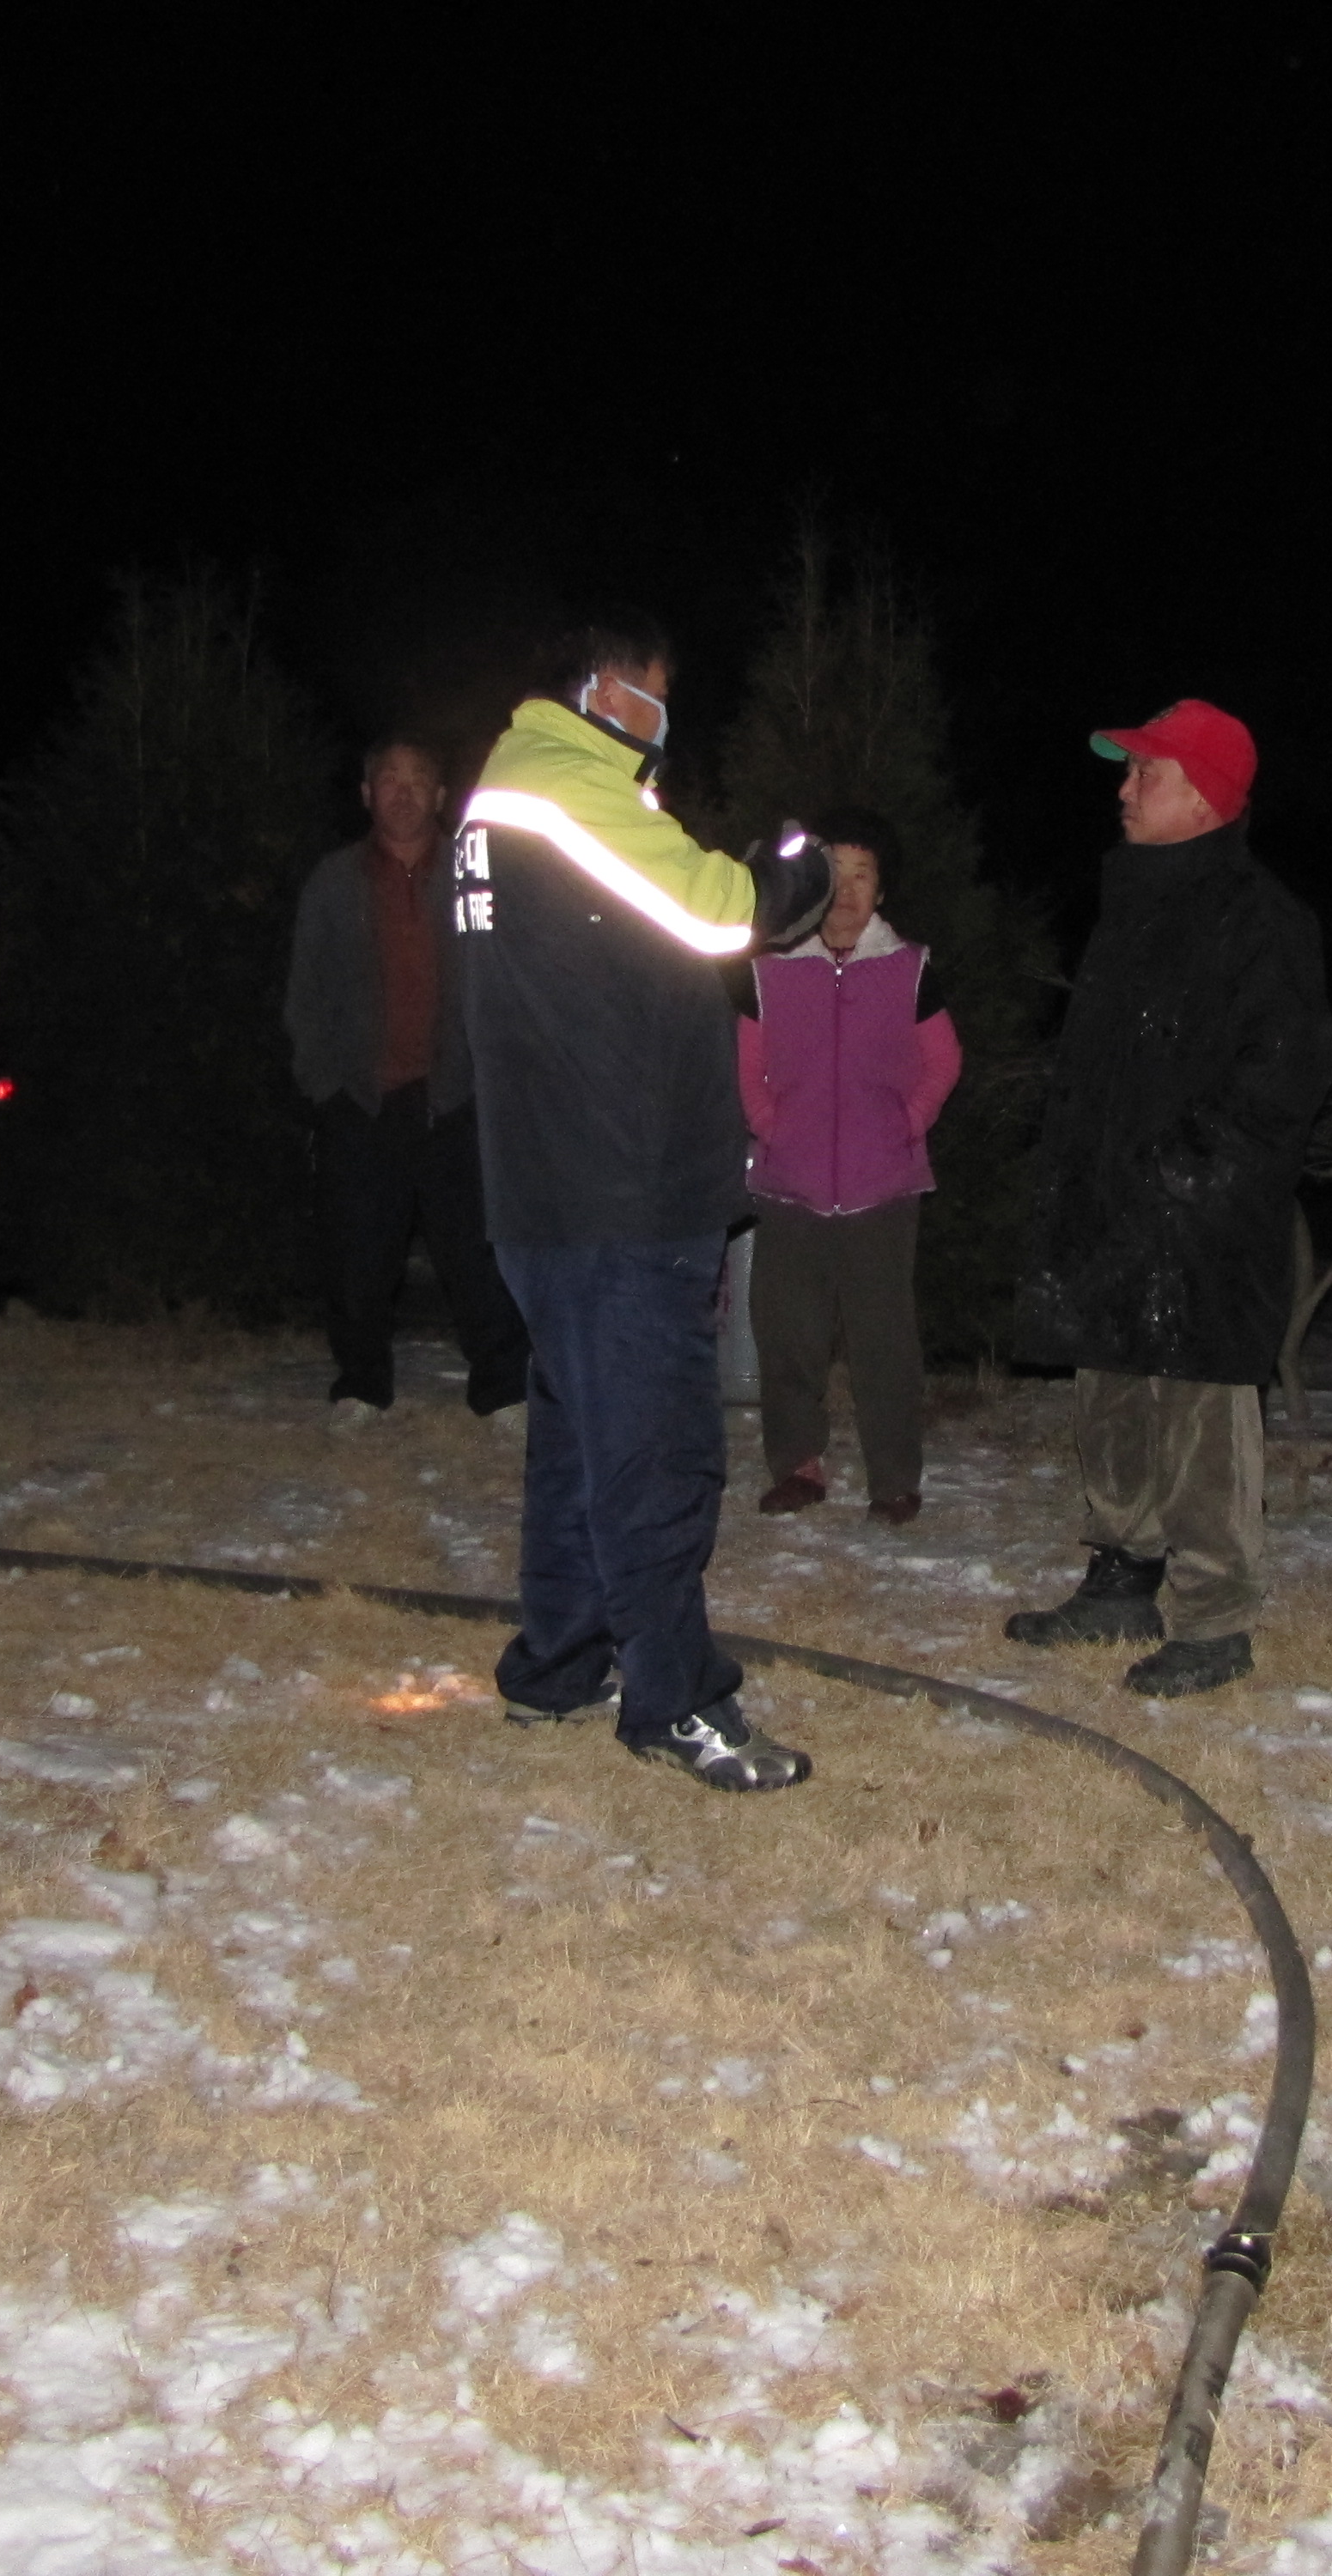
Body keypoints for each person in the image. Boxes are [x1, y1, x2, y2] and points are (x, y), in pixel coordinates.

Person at [453, 614, 830, 1791]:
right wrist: (793, 871)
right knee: (656, 1457)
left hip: (557, 1186)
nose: (665, 719)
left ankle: (559, 1663)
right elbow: (720, 910)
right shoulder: (562, 788)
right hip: (620, 1189)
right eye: (657, 694)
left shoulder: (514, 792)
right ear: (609, 691)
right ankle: (678, 1701)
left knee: (581, 1443)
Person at [1006, 700, 1332, 1697]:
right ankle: (1120, 1576)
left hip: (1201, 1222)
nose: (1124, 787)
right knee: (1110, 1394)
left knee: (1199, 1418)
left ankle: (1215, 1617)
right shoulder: (1133, 899)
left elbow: (1283, 1078)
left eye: (1145, 771)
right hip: (1112, 1206)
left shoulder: (1263, 922)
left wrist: (1185, 1175)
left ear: (1203, 796)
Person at [284, 737, 530, 1437]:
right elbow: (305, 992)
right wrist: (326, 1086)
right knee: (359, 1256)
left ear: (441, 796)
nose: (402, 791)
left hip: (454, 1097)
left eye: (418, 779)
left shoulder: (475, 876)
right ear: (366, 794)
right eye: (388, 779)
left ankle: (503, 1389)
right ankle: (361, 1386)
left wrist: (490, 1075)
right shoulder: (334, 881)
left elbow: (507, 974)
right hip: (362, 1102)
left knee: (478, 1252)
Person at [737, 809, 963, 1527]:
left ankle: (893, 1480)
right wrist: (770, 1125)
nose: (848, 890)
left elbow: (943, 1060)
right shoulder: (768, 968)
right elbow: (745, 1062)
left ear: (881, 891)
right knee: (788, 1336)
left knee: (884, 1345)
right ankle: (796, 1466)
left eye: (864, 876)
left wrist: (908, 1122)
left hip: (883, 1189)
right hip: (788, 1186)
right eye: (835, 874)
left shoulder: (910, 968)